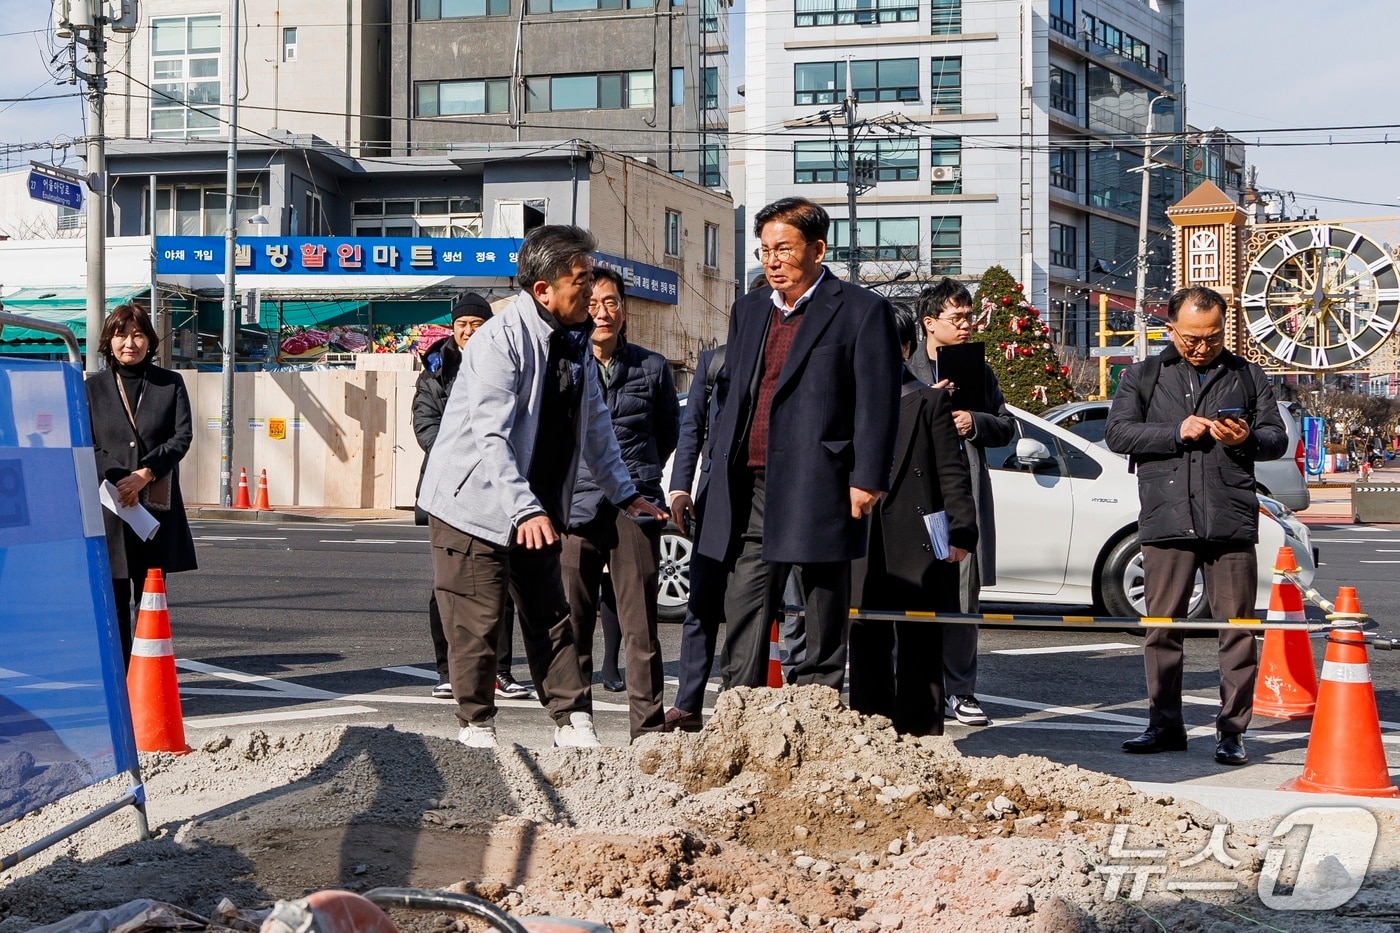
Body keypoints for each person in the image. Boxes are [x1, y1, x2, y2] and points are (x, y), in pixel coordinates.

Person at [418, 225, 668, 749]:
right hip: (474, 505)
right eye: (580, 280)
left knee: (551, 614)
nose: (591, 294)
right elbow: (491, 435)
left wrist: (625, 493)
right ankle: (476, 723)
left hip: (535, 507)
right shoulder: (499, 340)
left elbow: (595, 424)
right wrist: (523, 509)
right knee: (478, 620)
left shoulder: (572, 341)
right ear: (543, 291)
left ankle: (572, 717)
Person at [695, 196, 902, 692]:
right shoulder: (748, 310)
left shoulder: (861, 310)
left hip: (821, 477)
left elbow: (877, 401)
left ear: (817, 249)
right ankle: (739, 699)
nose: (772, 261)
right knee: (745, 594)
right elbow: (737, 393)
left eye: (783, 249)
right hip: (750, 478)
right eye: (764, 250)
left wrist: (867, 477)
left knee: (820, 594)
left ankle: (817, 700)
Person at [1105, 285, 1287, 766]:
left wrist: (1247, 436)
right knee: (1162, 628)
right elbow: (1117, 433)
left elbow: (1276, 438)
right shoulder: (1143, 375)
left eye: (1212, 337)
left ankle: (1232, 732)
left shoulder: (1247, 375)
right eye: (1191, 338)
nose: (1203, 347)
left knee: (1238, 630)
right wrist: (1175, 431)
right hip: (1166, 516)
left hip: (1229, 516)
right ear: (1170, 329)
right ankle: (1164, 726)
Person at [561, 267, 680, 740]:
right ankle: (574, 722)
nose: (601, 312)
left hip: (635, 504)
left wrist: (640, 478)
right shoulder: (565, 365)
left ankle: (647, 731)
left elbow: (668, 432)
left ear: (624, 309)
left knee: (640, 625)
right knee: (573, 621)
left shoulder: (651, 367)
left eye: (610, 302)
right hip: (577, 504)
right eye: (592, 303)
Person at [850, 303, 978, 736]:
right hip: (862, 538)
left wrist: (961, 531)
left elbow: (952, 473)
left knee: (921, 644)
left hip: (919, 539)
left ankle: (922, 738)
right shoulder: (850, 402)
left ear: (906, 348)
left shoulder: (929, 400)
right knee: (867, 641)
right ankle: (872, 734)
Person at [411, 294, 533, 703]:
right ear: (453, 327)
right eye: (462, 323)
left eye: (476, 324)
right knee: (445, 589)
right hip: (449, 490)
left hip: (498, 487)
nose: (468, 331)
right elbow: (425, 425)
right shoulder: (435, 370)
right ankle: (448, 670)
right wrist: (460, 457)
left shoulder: (502, 360)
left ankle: (500, 671)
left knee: (504, 585)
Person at [907, 277, 1015, 727]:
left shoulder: (979, 369)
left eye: (969, 316)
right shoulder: (905, 367)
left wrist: (975, 421)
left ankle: (961, 690)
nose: (967, 325)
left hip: (962, 496)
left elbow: (1007, 426)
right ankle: (911, 686)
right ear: (930, 323)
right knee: (910, 589)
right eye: (957, 317)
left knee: (963, 595)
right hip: (915, 498)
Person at [85, 303, 197, 667]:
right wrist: (120, 477)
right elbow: (88, 442)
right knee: (114, 596)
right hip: (110, 505)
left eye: (137, 334)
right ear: (108, 341)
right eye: (120, 334)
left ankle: (150, 672)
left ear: (150, 340)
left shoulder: (170, 383)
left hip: (155, 506)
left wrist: (144, 474)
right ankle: (120, 676)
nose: (128, 343)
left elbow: (182, 437)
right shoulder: (92, 388)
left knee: (150, 594)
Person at [663, 343, 727, 732]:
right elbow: (692, 428)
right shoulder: (715, 361)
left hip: (768, 504)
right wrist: (679, 487)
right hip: (713, 499)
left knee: (748, 614)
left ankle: (737, 704)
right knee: (700, 606)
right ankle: (687, 704)